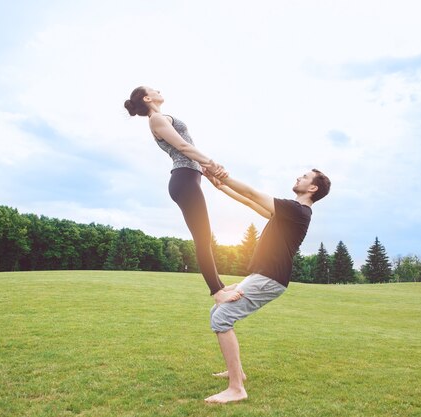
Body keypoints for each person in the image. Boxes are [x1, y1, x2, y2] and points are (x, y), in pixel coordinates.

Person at [202, 168, 331, 404]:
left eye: (304, 177)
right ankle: (236, 372)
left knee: (222, 319)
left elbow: (252, 192)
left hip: (270, 278)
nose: (298, 177)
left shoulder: (298, 211)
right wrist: (220, 186)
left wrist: (220, 173)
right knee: (216, 311)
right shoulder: (288, 214)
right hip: (261, 275)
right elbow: (250, 202)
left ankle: (237, 388)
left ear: (313, 188)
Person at [124, 87, 242, 304]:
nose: (158, 89)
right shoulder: (156, 119)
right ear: (147, 98)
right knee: (203, 237)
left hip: (189, 178)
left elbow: (186, 149)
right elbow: (182, 146)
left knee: (205, 236)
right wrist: (212, 163)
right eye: (153, 89)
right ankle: (217, 292)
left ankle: (219, 286)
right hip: (184, 180)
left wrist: (206, 172)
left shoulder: (160, 117)